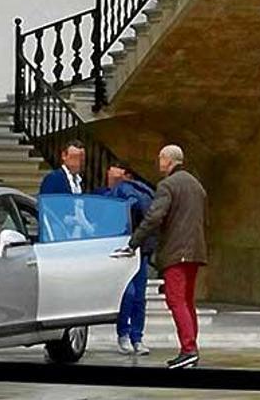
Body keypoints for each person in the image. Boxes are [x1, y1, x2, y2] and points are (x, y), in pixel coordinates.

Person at [116, 145, 207, 369]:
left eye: (160, 158)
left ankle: (188, 350)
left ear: (168, 160)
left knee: (176, 300)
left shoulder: (167, 185)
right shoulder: (196, 185)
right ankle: (191, 348)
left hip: (177, 251)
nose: (158, 162)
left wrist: (133, 242)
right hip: (195, 250)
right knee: (187, 301)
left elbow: (154, 216)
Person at [95, 161, 156, 356]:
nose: (110, 170)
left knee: (133, 295)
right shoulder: (106, 193)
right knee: (132, 295)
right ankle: (131, 336)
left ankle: (132, 336)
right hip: (131, 249)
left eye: (115, 167)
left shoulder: (127, 190)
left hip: (129, 248)